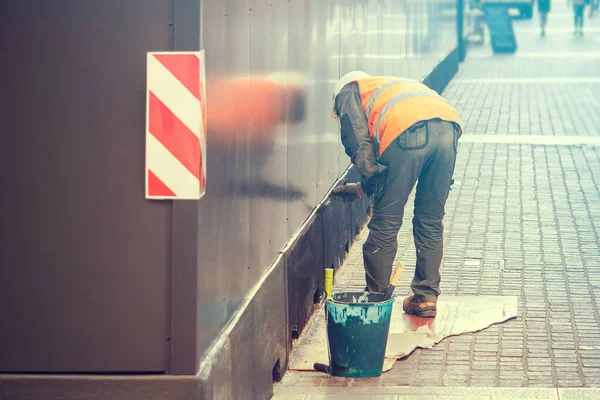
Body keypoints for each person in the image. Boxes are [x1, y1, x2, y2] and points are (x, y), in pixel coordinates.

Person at [329, 71, 462, 318]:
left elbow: (359, 144)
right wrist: (361, 189)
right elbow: (391, 170)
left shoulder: (348, 90)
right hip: (449, 130)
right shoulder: (390, 88)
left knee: (385, 223)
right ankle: (425, 299)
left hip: (408, 130)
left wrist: (368, 178)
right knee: (430, 220)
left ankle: (376, 299)